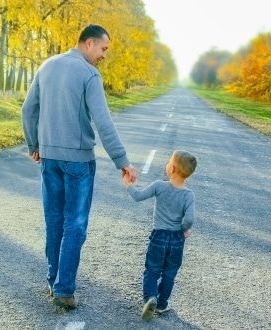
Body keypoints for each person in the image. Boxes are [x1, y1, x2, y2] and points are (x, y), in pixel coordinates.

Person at [22, 24, 137, 310]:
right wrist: (122, 161)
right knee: (75, 224)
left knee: (54, 220)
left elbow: (28, 109)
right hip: (78, 163)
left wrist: (33, 145)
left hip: (48, 159)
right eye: (103, 48)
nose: (104, 55)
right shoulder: (88, 74)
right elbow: (103, 121)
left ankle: (54, 280)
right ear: (88, 43)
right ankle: (63, 289)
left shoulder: (47, 66)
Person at [122, 150, 197, 321]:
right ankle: (162, 304)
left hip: (159, 237)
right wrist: (184, 228)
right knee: (170, 272)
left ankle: (150, 298)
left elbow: (138, 196)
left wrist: (128, 184)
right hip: (177, 239)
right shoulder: (188, 195)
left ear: (171, 168)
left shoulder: (159, 186)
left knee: (152, 270)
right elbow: (190, 219)